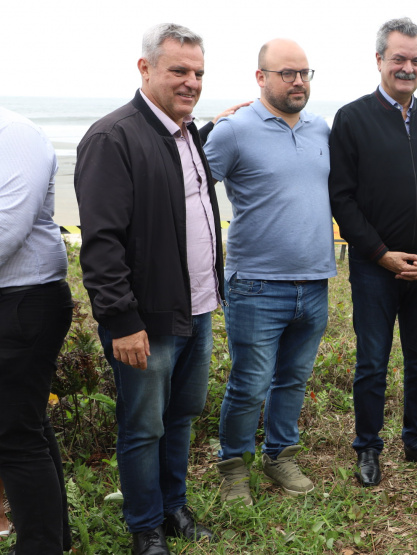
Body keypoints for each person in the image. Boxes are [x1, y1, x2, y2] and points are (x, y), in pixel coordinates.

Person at [75, 23, 223, 554]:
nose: (191, 82)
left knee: (180, 417)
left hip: (198, 310)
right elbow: (102, 244)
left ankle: (173, 506)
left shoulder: (185, 134)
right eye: (178, 70)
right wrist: (121, 321)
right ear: (145, 69)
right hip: (146, 321)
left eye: (198, 73)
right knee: (143, 428)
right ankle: (145, 527)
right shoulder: (112, 137)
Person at [329, 17, 417, 487]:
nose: (407, 68)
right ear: (380, 60)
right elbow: (341, 198)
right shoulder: (352, 118)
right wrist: (381, 253)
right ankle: (367, 446)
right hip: (374, 268)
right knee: (372, 361)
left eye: (415, 60)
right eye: (399, 59)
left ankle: (416, 440)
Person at [204, 38, 335, 505]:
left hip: (315, 280)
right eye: (286, 73)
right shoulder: (234, 130)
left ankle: (279, 453)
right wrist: (207, 126)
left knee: (293, 378)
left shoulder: (321, 128)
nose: (298, 81)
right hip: (257, 283)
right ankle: (234, 465)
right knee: (250, 382)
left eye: (304, 72)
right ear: (260, 77)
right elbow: (191, 185)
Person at [0, 106, 74, 554]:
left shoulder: (14, 133)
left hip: (25, 299)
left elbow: (9, 224)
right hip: (14, 298)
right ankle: (53, 540)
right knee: (25, 424)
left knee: (13, 434)